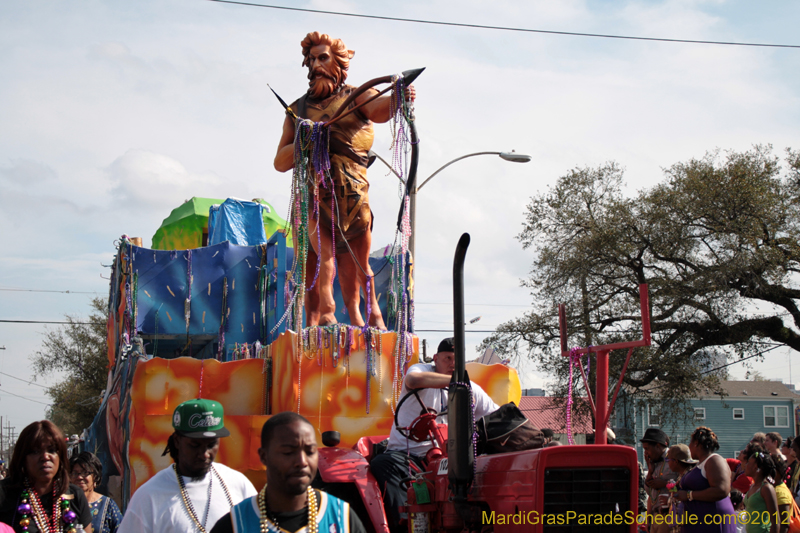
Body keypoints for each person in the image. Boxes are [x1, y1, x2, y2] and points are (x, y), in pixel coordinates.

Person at [274, 31, 415, 329]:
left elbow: (379, 110)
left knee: (358, 266)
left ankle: (368, 314)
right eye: (311, 59)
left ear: (338, 62)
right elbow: (280, 161)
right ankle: (324, 312)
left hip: (353, 198)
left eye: (322, 58)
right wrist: (305, 138)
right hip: (316, 198)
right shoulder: (297, 111)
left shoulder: (356, 96)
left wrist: (398, 98)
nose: (316, 65)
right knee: (322, 260)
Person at [369, 338, 498, 533]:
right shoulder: (420, 371)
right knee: (383, 464)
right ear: (435, 359)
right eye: (447, 358)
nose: (453, 364)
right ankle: (404, 525)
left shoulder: (470, 388)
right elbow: (412, 381)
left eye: (457, 360)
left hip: (447, 459)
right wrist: (456, 382)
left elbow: (497, 416)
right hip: (408, 455)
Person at [210, 412, 366, 533]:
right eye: (288, 452)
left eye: (310, 451)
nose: (302, 461)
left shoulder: (341, 519)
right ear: (264, 456)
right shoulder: (236, 524)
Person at [118, 399, 257, 533]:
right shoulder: (148, 496)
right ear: (177, 441)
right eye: (195, 445)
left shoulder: (238, 484)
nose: (205, 454)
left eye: (211, 445)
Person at [0, 420, 93, 532]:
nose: (45, 457)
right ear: (23, 457)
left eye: (52, 450)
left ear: (60, 456)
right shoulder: (4, 493)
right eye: (35, 451)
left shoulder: (75, 495)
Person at [673, 426, 737, 533]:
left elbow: (721, 490)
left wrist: (689, 495)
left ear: (696, 443)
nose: (689, 447)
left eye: (690, 443)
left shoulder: (714, 460)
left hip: (713, 521)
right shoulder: (699, 464)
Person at [69, 452, 122, 533]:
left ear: (95, 477)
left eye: (85, 472)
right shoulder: (63, 504)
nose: (79, 477)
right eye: (74, 473)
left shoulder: (108, 506)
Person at [641, 428, 678, 533]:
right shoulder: (654, 462)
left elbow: (683, 487)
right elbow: (650, 493)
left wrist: (665, 484)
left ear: (658, 446)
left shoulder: (674, 459)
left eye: (647, 449)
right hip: (655, 516)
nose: (646, 453)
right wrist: (650, 471)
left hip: (668, 515)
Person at [743, 447, 779, 533]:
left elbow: (775, 522)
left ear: (755, 467)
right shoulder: (752, 486)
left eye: (748, 463)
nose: (745, 465)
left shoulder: (766, 489)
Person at [664, 444, 698, 533]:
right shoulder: (683, 477)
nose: (667, 462)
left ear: (676, 461)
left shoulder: (689, 479)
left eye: (668, 459)